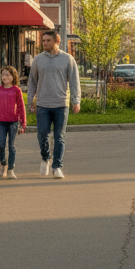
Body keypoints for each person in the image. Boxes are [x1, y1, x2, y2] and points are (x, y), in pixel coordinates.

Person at [28, 30, 80, 179]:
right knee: (42, 135)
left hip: (61, 104)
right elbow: (32, 81)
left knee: (59, 137)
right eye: (43, 40)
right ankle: (46, 158)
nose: (44, 43)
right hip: (43, 104)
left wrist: (76, 101)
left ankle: (57, 166)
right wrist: (30, 101)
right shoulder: (38, 60)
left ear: (56, 41)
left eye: (48, 40)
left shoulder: (67, 59)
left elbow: (75, 82)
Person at [0, 65, 27, 179]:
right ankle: (3, 164)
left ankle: (11, 169)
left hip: (13, 122)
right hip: (1, 121)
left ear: (13, 77)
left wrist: (23, 123)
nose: (5, 77)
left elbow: (21, 107)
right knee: (1, 145)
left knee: (12, 146)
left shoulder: (16, 90)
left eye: (7, 75)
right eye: (3, 75)